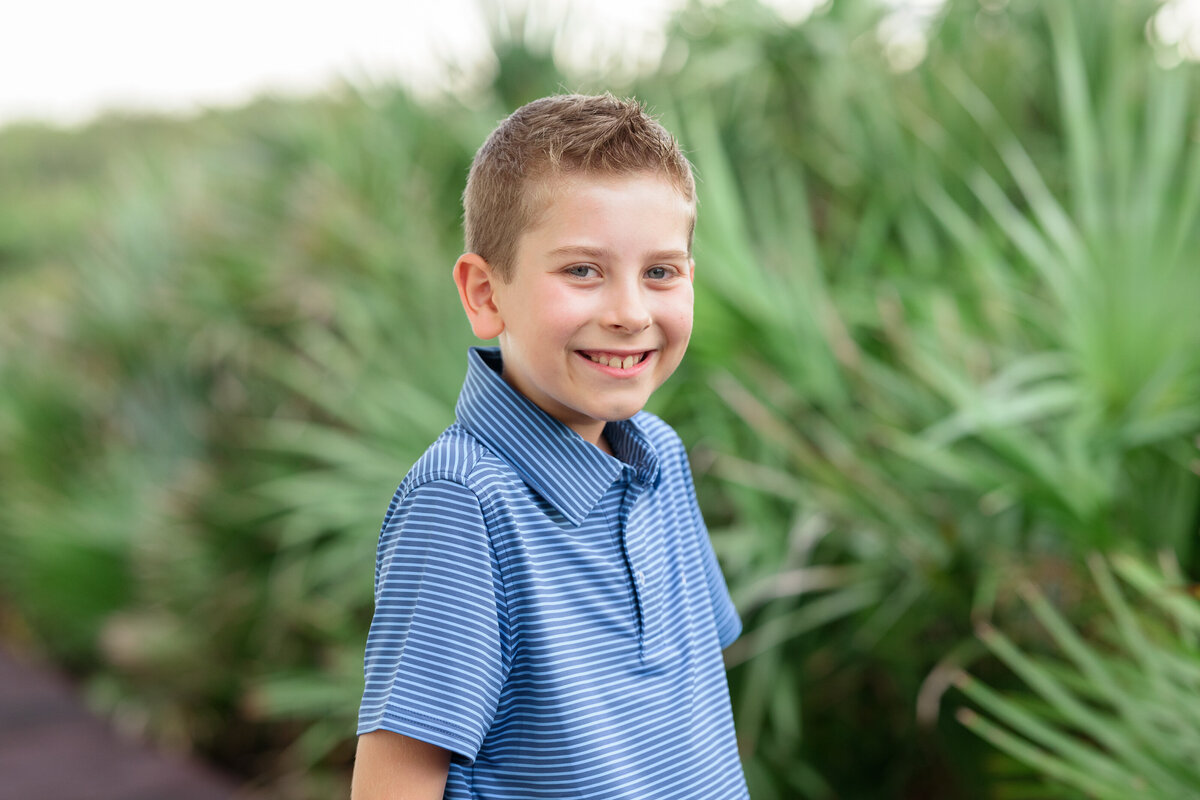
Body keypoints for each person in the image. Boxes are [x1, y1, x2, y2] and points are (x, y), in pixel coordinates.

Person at [351, 93, 748, 799]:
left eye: (660, 272)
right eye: (583, 271)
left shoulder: (661, 457)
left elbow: (688, 716)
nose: (629, 313)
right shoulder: (463, 503)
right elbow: (393, 787)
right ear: (485, 294)